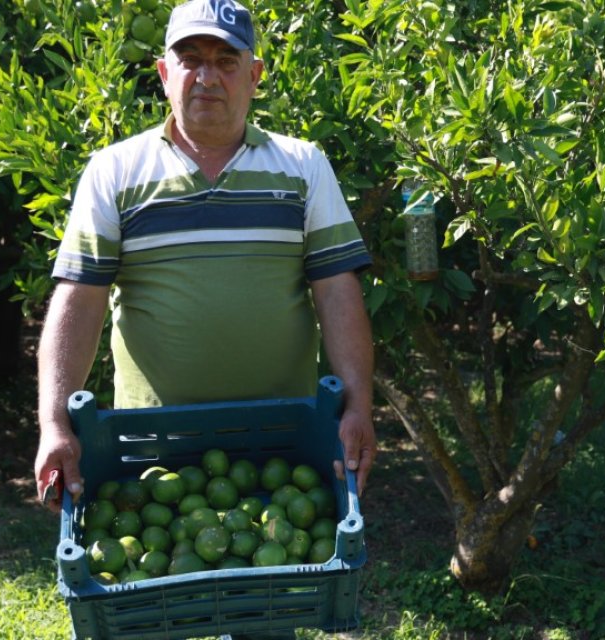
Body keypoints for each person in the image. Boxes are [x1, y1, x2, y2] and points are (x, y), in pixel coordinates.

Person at [34, 0, 376, 514]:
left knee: (282, 577)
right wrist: (55, 423)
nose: (206, 76)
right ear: (164, 73)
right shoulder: (115, 172)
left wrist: (359, 405)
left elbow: (337, 292)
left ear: (254, 75)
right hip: (153, 449)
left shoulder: (303, 167)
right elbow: (79, 301)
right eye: (190, 58)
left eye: (226, 60)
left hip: (284, 441)